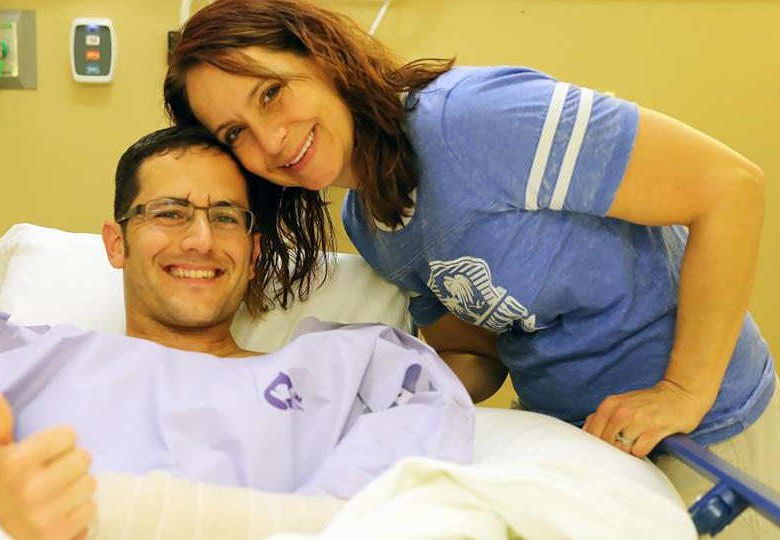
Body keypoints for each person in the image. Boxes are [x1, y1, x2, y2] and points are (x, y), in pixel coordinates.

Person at [163, 1, 778, 536]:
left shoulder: (471, 121)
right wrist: (349, 396)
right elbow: (478, 361)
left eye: (272, 92)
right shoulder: (368, 223)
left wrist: (682, 393)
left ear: (321, 57)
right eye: (236, 132)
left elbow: (729, 189)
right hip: (587, 445)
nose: (269, 141)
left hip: (706, 431)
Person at [0, 126, 474, 540]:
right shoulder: (14, 367)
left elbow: (415, 491)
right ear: (116, 241)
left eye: (225, 217)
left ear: (255, 252)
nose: (201, 239)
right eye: (170, 212)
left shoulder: (355, 367)